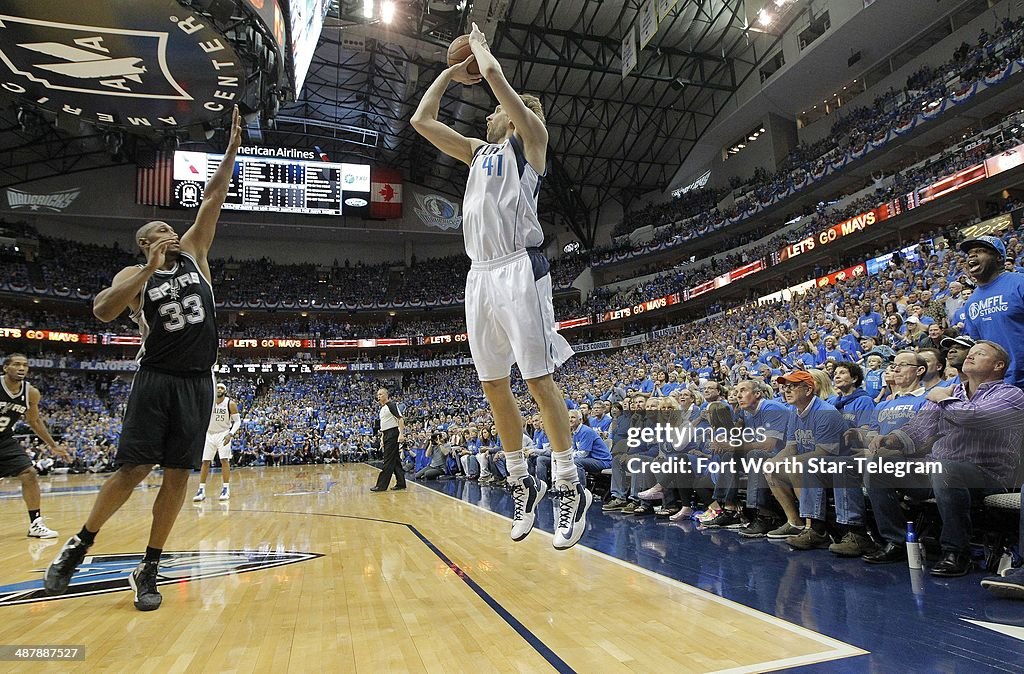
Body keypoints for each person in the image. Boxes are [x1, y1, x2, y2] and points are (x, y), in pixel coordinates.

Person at [44, 106, 242, 611]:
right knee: (132, 469)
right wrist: (147, 267)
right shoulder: (133, 278)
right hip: (156, 378)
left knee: (179, 476)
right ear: (144, 243)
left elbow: (214, 196)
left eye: (168, 229)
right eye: (157, 230)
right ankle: (80, 544)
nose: (168, 231)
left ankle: (149, 566)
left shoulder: (196, 251)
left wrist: (234, 147)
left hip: (199, 382)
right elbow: (103, 311)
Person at [411, 23, 590, 549]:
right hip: (479, 275)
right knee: (493, 384)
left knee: (536, 378)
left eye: (496, 107)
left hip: (519, 269)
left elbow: (495, 80)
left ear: (514, 113)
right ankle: (521, 480)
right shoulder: (476, 151)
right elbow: (421, 120)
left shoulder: (530, 141)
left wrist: (481, 49)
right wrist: (448, 72)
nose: (487, 109)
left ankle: (567, 484)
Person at [863, 341, 1024, 575]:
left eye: (979, 354)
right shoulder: (953, 392)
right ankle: (897, 541)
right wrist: (893, 439)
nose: (970, 356)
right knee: (879, 466)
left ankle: (956, 551)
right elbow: (920, 427)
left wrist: (939, 397)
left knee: (945, 468)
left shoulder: (1011, 395)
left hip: (989, 476)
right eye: (971, 353)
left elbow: (973, 418)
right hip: (938, 471)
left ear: (998, 365)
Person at [0, 353, 70, 539]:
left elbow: (35, 421)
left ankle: (35, 524)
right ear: (6, 368)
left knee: (29, 473)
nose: (21, 368)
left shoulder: (30, 392)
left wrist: (53, 446)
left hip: (4, 439)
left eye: (25, 365)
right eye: (16, 364)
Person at [961, 235, 1024, 387]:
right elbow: (979, 344)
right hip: (1000, 385)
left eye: (981, 250)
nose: (973, 255)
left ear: (998, 258)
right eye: (970, 253)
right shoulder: (971, 303)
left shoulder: (1019, 282)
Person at [193, 382, 239, 502]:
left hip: (223, 433)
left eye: (221, 388)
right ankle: (201, 489)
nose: (219, 389)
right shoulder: (208, 402)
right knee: (205, 462)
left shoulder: (230, 404)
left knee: (224, 460)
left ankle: (225, 488)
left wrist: (230, 434)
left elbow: (237, 422)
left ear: (225, 391)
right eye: (217, 387)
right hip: (209, 434)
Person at [371, 387, 407, 492]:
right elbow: (384, 425)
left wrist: (401, 434)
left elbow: (400, 419)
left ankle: (381, 485)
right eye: (378, 395)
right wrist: (382, 438)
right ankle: (401, 483)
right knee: (395, 460)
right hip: (386, 434)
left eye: (381, 394)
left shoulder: (391, 405)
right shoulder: (382, 409)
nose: (379, 397)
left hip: (393, 434)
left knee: (387, 460)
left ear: (386, 395)